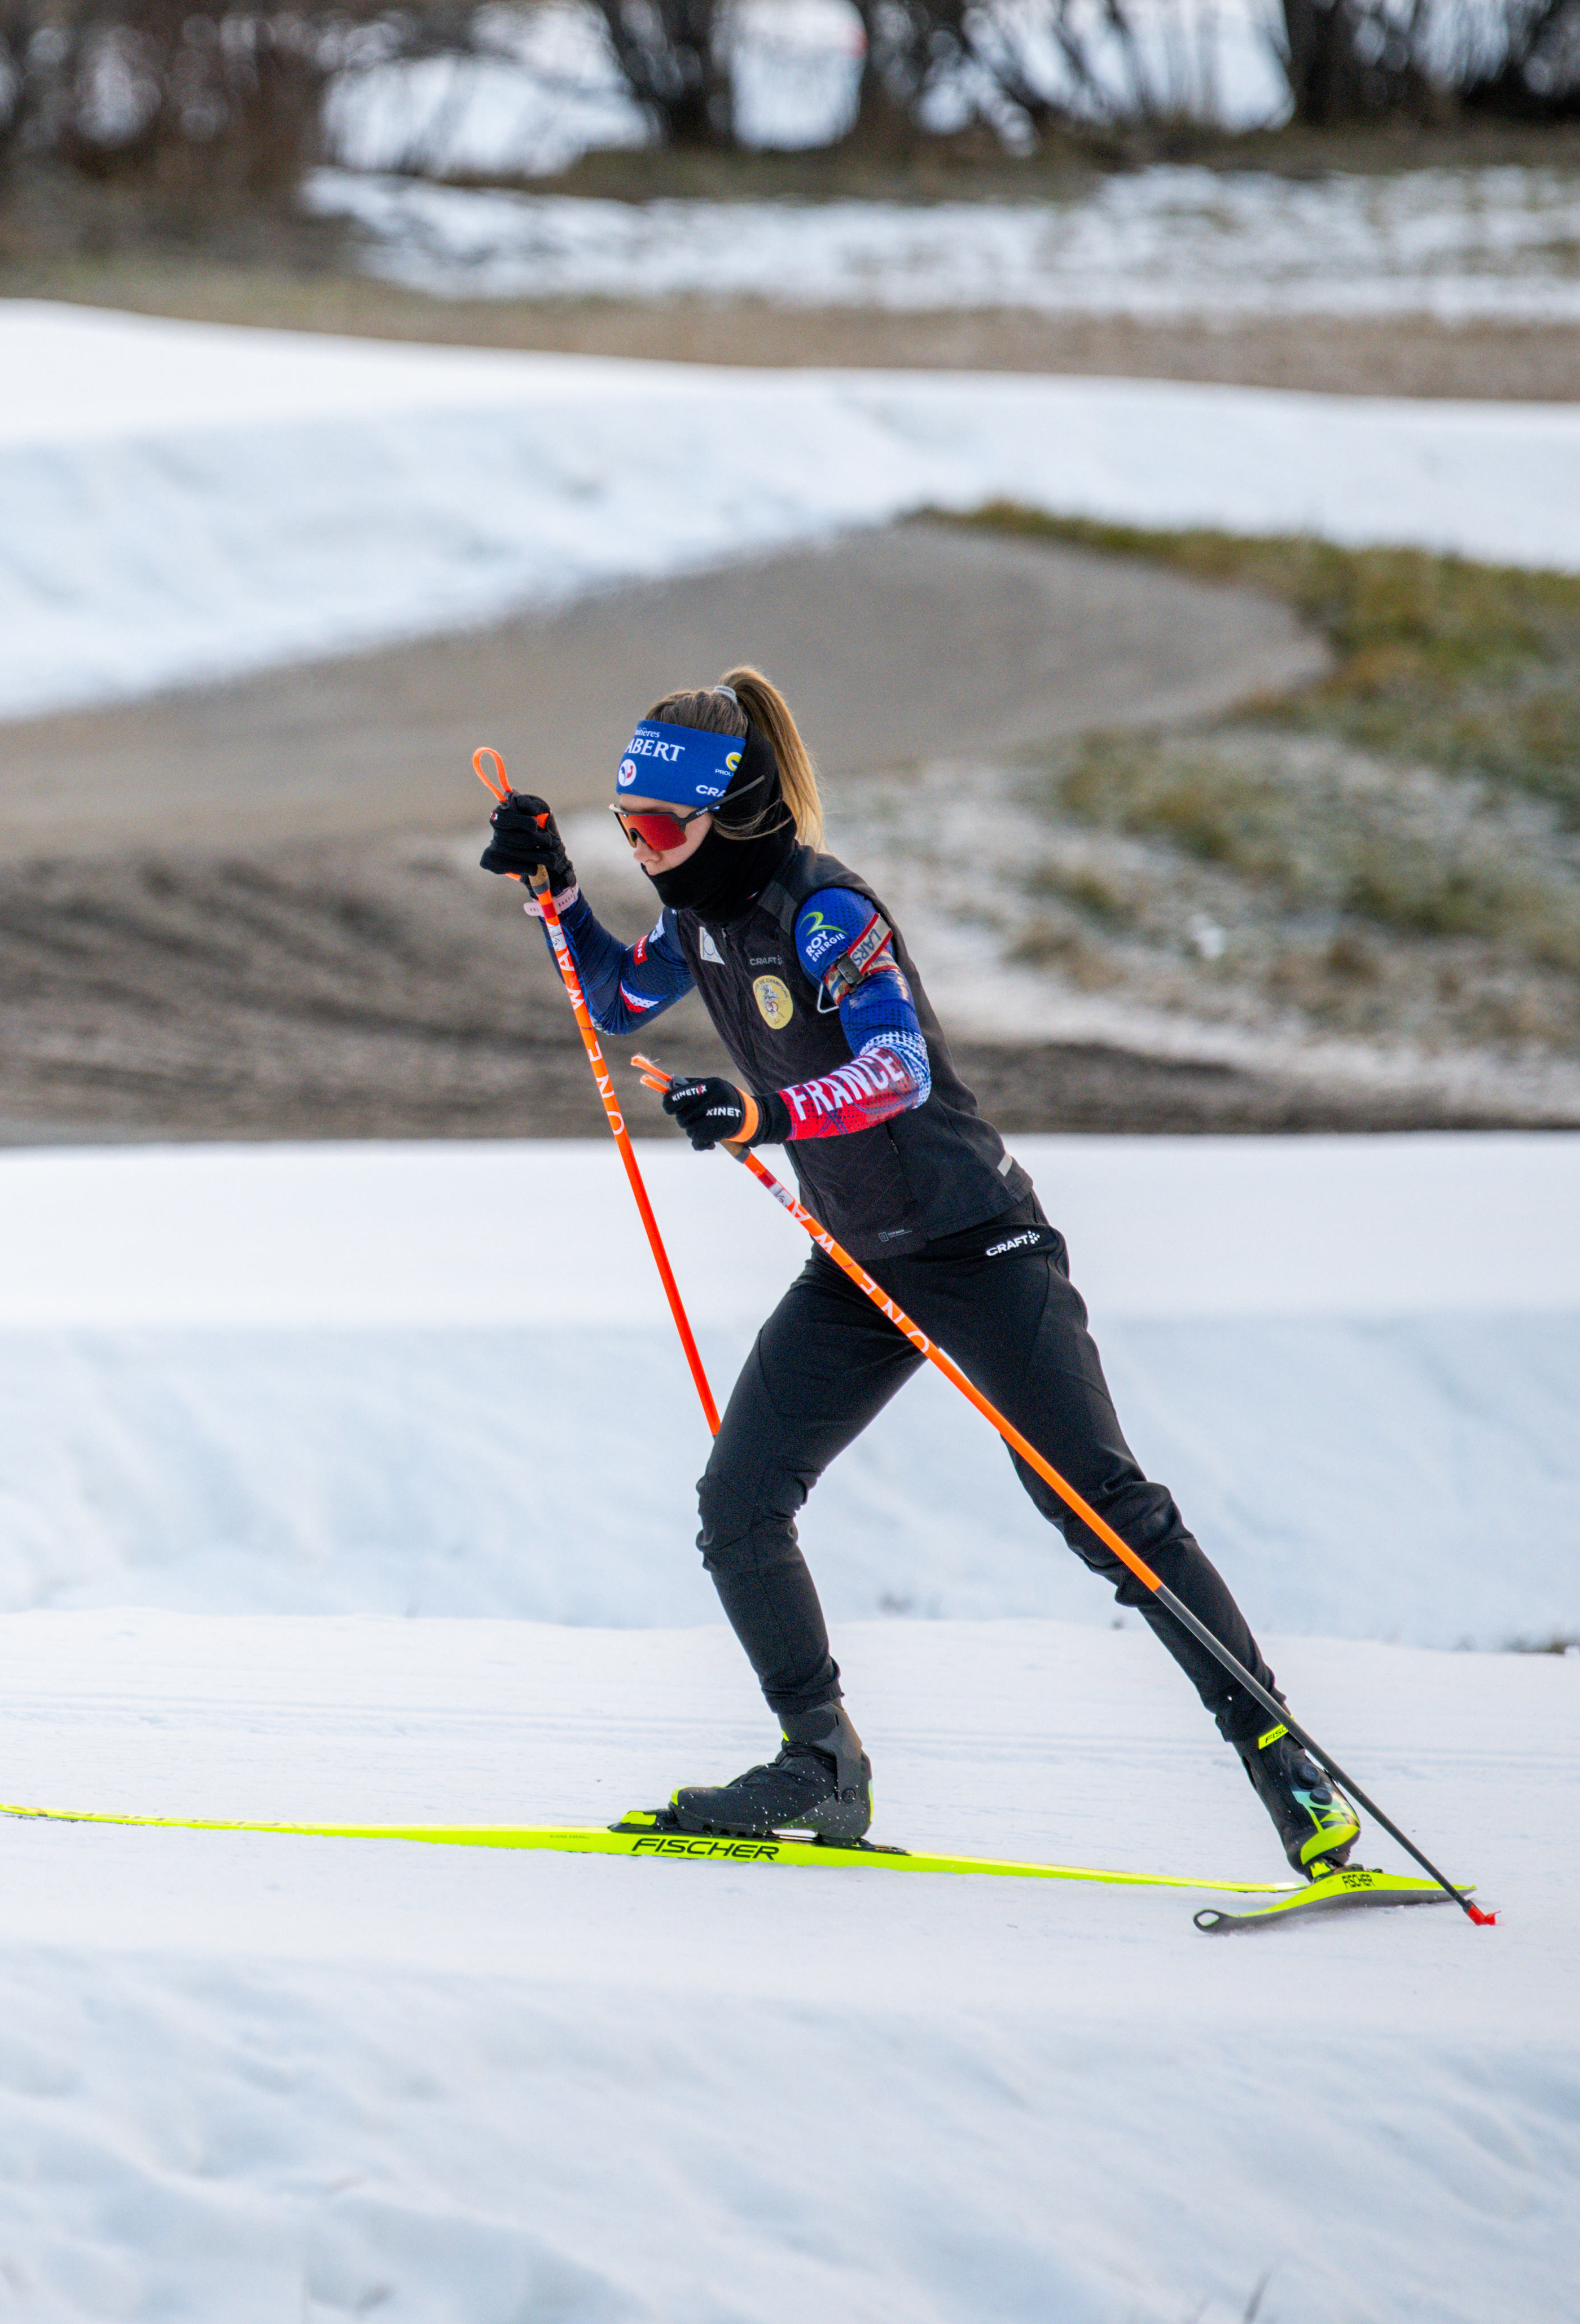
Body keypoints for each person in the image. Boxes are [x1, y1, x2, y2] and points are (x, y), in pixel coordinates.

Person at [477, 664, 1359, 1879]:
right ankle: (820, 1762)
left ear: (731, 811)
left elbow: (895, 1070)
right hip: (858, 1262)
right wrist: (553, 887)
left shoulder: (826, 911)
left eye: (659, 828)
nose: (645, 850)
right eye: (626, 829)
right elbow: (616, 997)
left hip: (978, 1245)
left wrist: (758, 1113)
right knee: (738, 1504)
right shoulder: (699, 919)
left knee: (1101, 1509)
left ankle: (1282, 1756)